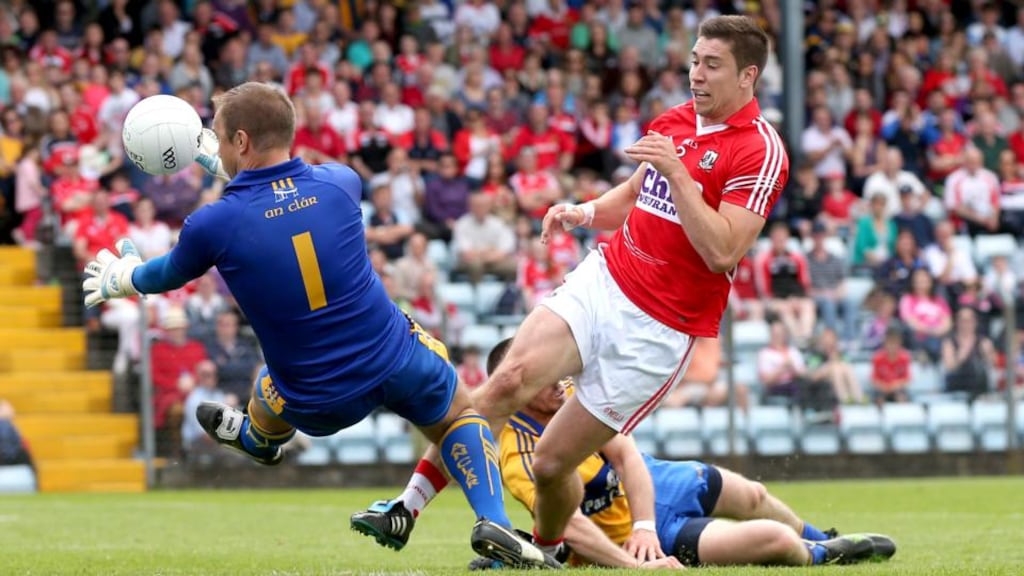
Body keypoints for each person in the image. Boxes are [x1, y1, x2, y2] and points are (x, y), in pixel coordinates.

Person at [353, 16, 790, 564]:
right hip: (606, 278)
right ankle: (406, 507)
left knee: (553, 465)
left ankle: (547, 548)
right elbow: (637, 192)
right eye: (695, 60)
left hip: (658, 329)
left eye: (711, 64)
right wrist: (584, 211)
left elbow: (722, 250)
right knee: (505, 380)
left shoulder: (760, 150)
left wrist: (680, 175)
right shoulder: (675, 121)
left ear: (748, 76)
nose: (695, 73)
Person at [80, 82, 557, 570]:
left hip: (318, 399)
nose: (216, 145)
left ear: (240, 143)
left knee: (268, 387)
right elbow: (283, 192)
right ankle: (491, 518)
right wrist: (220, 158)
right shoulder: (341, 182)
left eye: (219, 137)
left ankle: (259, 441)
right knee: (459, 414)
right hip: (395, 358)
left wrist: (124, 278)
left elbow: (167, 273)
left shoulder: (213, 224)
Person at [362, 339, 897, 569]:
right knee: (776, 542)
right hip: (630, 536)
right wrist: (635, 557)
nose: (562, 381)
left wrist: (644, 518)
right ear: (519, 389)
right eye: (548, 379)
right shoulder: (516, 453)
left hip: (656, 488)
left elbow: (628, 453)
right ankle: (824, 556)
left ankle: (823, 537)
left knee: (754, 493)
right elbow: (569, 525)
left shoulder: (569, 397)